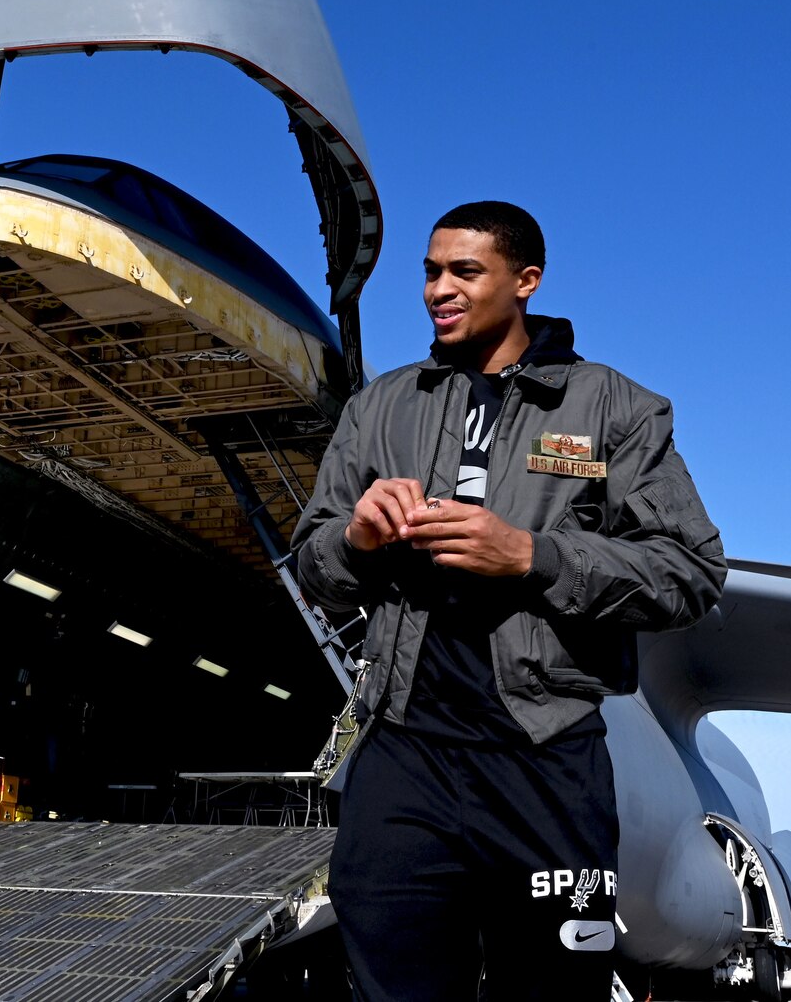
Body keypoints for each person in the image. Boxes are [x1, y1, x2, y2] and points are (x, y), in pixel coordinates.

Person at [292, 200, 726, 1002]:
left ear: (525, 281)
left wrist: (534, 555)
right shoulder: (380, 406)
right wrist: (354, 539)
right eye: (430, 271)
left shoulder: (615, 410)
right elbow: (312, 565)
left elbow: (690, 570)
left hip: (545, 760)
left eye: (464, 271)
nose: (437, 290)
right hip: (404, 755)